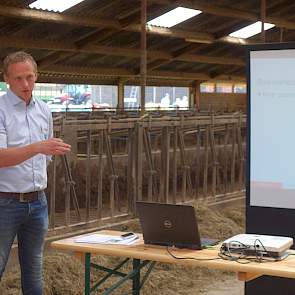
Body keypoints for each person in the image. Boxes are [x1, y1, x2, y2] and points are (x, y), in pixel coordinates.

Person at [0, 51, 71, 294]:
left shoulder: (43, 109)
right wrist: (39, 147)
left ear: (37, 76)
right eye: (18, 78)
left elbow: (46, 157)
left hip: (37, 201)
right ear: (6, 79)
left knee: (33, 268)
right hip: (4, 201)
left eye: (29, 77)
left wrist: (44, 151)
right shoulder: (0, 109)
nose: (25, 84)